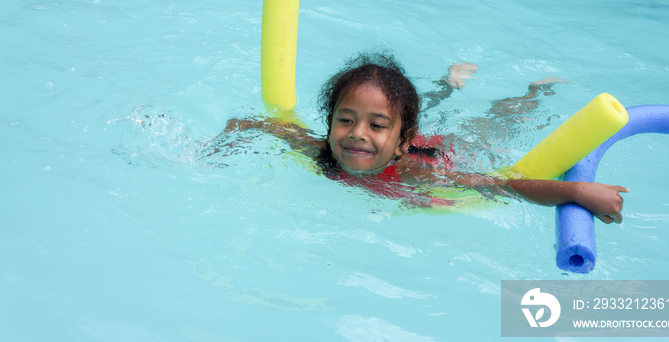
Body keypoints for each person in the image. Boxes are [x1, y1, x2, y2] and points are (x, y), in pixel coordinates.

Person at [216, 52, 628, 224]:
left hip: (439, 151)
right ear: (329, 124)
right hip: (409, 130)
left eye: (375, 125)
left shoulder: (413, 173)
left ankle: (533, 93)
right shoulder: (319, 151)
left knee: (488, 125)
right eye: (345, 120)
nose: (357, 134)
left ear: (399, 140)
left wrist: (575, 190)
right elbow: (257, 123)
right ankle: (449, 83)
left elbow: (502, 185)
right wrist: (222, 145)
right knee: (421, 100)